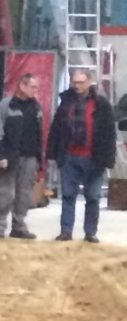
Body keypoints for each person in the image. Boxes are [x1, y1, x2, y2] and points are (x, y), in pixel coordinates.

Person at [46, 67, 116, 244]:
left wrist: (108, 158)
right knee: (68, 195)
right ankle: (66, 231)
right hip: (70, 156)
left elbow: (109, 133)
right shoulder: (66, 102)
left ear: (89, 82)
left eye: (80, 82)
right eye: (74, 82)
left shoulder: (102, 104)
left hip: (94, 158)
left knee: (93, 197)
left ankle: (90, 232)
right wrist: (52, 152)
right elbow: (56, 128)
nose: (76, 86)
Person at [0, 72, 45, 240]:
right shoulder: (5, 106)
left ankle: (18, 226)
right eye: (33, 87)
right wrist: (0, 156)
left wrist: (39, 160)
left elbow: (39, 134)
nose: (35, 90)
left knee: (24, 194)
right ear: (22, 86)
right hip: (9, 158)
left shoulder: (36, 107)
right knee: (4, 194)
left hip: (30, 158)